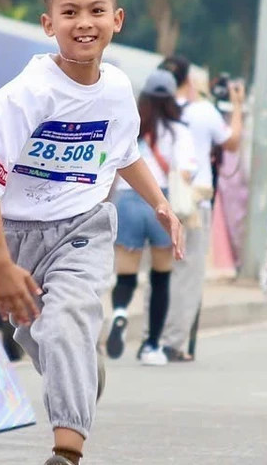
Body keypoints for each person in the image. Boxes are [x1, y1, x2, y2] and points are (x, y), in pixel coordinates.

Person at [0, 0, 182, 465]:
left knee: (66, 324)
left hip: (82, 227)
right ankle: (85, 368)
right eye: (70, 12)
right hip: (17, 236)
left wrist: (161, 203)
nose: (85, 23)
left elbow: (124, 153)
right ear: (48, 23)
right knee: (45, 338)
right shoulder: (24, 96)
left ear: (117, 19)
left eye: (96, 11)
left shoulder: (118, 88)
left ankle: (66, 452)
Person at [155, 54, 244, 362]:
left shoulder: (152, 109)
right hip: (193, 201)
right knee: (187, 272)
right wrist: (237, 106)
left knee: (159, 270)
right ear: (189, 81)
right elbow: (232, 143)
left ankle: (150, 337)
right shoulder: (205, 110)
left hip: (156, 197)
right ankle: (174, 341)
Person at [105, 69, 197, 366]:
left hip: (128, 202)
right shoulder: (179, 132)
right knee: (160, 277)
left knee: (126, 272)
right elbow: (186, 172)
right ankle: (151, 346)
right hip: (160, 202)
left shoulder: (130, 127)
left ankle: (119, 314)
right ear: (172, 99)